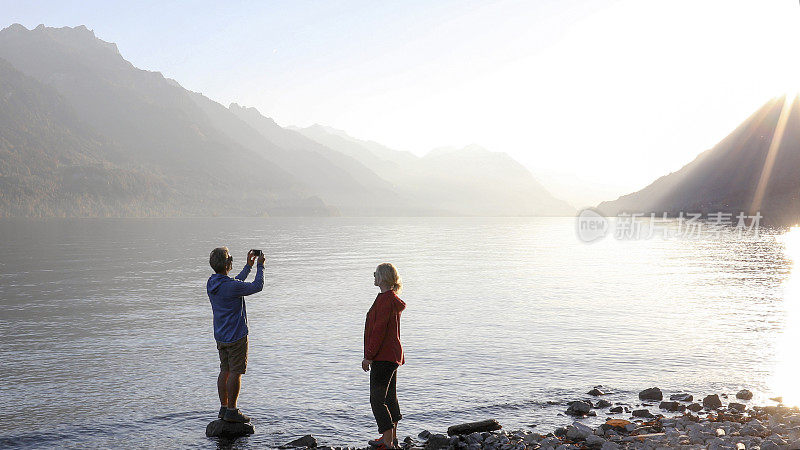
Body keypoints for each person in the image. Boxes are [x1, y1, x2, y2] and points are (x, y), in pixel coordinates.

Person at [207, 247, 265, 423]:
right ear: (227, 264)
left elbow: (234, 283)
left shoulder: (212, 283)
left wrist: (248, 266)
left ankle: (223, 408)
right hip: (236, 337)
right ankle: (232, 411)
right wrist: (260, 267)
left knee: (224, 370)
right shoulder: (231, 286)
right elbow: (257, 286)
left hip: (221, 336)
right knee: (235, 373)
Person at [363, 263, 407, 449]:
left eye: (375, 274)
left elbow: (378, 331)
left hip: (383, 357)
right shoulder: (390, 298)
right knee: (389, 398)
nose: (373, 276)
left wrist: (369, 356)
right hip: (392, 356)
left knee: (377, 399)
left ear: (382, 278)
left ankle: (387, 440)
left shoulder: (385, 300)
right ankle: (391, 438)